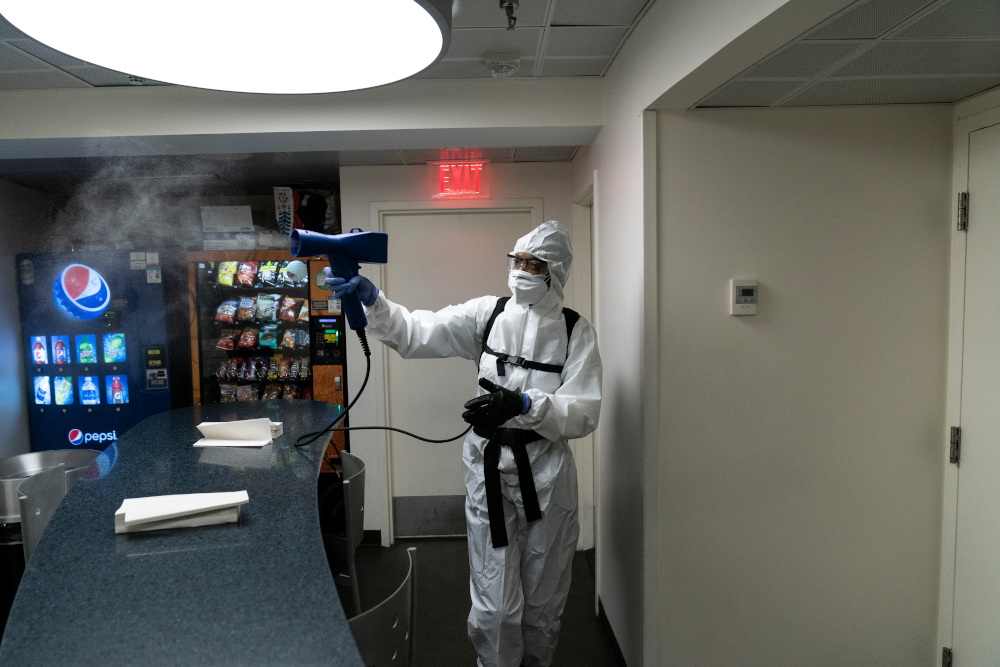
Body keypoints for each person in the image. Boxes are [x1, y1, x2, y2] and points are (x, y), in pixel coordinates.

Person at [326, 220, 602, 667]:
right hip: (487, 468)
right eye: (517, 261)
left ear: (556, 272)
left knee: (542, 600)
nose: (521, 271)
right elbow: (419, 332)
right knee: (493, 602)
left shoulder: (575, 333)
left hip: (547, 476)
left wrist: (525, 403)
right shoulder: (487, 315)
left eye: (534, 264)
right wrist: (372, 300)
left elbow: (585, 411)